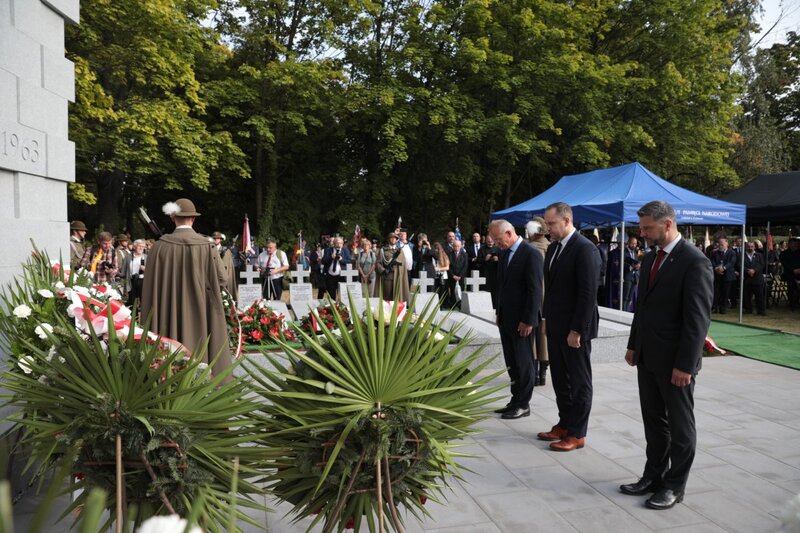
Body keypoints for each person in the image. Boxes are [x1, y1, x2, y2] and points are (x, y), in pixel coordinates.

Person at [621, 200, 713, 510]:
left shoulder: (694, 261)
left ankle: (675, 486)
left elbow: (697, 320)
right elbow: (642, 308)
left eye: (647, 228)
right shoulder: (650, 258)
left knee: (680, 428)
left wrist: (685, 364)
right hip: (648, 357)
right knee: (654, 422)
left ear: (668, 224)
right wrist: (634, 345)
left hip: (676, 363)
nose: (642, 233)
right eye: (642, 227)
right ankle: (653, 476)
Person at [141, 198, 232, 381]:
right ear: (194, 219)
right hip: (201, 311)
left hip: (166, 312)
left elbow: (150, 285)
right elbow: (223, 279)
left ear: (173, 218)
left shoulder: (158, 247)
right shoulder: (207, 246)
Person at [538, 202, 601, 452]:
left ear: (566, 221)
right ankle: (564, 424)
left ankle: (577, 433)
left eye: (551, 224)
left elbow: (587, 294)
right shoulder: (554, 248)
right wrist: (545, 319)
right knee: (560, 380)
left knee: (578, 381)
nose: (547, 228)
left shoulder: (585, 249)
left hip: (575, 329)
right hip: (555, 325)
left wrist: (578, 330)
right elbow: (551, 289)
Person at [488, 219, 542, 420]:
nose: (495, 243)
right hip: (506, 319)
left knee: (524, 362)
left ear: (509, 233)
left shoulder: (531, 254)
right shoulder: (504, 254)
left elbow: (534, 289)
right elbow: (502, 286)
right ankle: (514, 399)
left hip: (522, 321)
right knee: (512, 362)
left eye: (498, 239)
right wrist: (499, 312)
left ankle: (523, 404)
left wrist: (528, 320)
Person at [526, 217, 550, 386]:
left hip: (533, 295)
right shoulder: (551, 247)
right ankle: (543, 373)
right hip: (548, 295)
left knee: (532, 334)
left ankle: (534, 373)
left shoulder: (529, 248)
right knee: (544, 333)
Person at [376, 232, 409, 301]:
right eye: (392, 238)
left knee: (397, 296)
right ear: (388, 239)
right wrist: (383, 270)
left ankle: (397, 311)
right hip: (388, 276)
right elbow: (378, 263)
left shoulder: (400, 251)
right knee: (387, 296)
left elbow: (403, 263)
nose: (393, 239)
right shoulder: (383, 250)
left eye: (395, 238)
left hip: (398, 276)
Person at [710, 238, 736, 313]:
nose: (720, 245)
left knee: (725, 293)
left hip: (727, 276)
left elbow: (732, 262)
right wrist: (716, 268)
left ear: (727, 244)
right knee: (716, 292)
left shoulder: (732, 252)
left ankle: (722, 308)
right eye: (719, 243)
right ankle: (714, 307)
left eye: (722, 243)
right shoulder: (714, 253)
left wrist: (723, 268)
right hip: (717, 275)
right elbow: (712, 261)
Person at [740, 241, 766, 315]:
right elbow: (739, 265)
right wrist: (747, 270)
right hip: (746, 278)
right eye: (748, 246)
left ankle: (761, 311)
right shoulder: (741, 255)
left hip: (757, 279)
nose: (750, 248)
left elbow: (762, 265)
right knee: (747, 296)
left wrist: (754, 270)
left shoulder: (759, 255)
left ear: (754, 247)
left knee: (760, 296)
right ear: (745, 247)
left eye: (751, 246)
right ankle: (748, 309)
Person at [120, 239, 147, 307]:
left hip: (143, 281)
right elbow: (123, 272)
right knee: (132, 301)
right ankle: (134, 315)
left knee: (144, 301)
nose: (141, 248)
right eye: (139, 246)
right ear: (134, 247)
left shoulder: (147, 257)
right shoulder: (128, 257)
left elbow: (152, 270)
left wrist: (146, 269)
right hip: (131, 280)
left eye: (143, 247)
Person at [213, 232, 238, 302]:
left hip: (222, 276)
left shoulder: (226, 251)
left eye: (217, 238)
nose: (215, 240)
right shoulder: (210, 249)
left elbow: (227, 266)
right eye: (214, 238)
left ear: (220, 240)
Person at [447, 239, 469, 307]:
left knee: (461, 291)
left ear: (461, 246)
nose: (456, 248)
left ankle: (460, 305)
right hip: (452, 276)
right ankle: (453, 305)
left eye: (458, 246)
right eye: (455, 246)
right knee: (453, 291)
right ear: (453, 246)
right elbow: (448, 266)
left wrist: (460, 276)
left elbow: (465, 266)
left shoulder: (464, 254)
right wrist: (453, 275)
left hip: (461, 277)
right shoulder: (449, 254)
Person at [780, 238, 800, 311]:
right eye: (794, 244)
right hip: (789, 274)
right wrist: (793, 270)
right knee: (792, 288)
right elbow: (785, 264)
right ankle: (792, 304)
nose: (796, 245)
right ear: (790, 244)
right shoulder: (784, 254)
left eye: (797, 244)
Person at [622, 236, 641, 311]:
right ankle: (623, 312)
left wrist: (638, 265)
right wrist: (631, 266)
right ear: (628, 243)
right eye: (632, 243)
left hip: (635, 278)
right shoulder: (624, 252)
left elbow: (637, 262)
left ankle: (627, 312)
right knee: (625, 298)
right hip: (627, 277)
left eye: (635, 244)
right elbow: (621, 264)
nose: (634, 245)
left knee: (630, 298)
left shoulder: (635, 253)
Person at [483, 234, 500, 308]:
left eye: (491, 241)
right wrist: (485, 259)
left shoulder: (498, 249)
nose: (490, 242)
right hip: (486, 273)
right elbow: (478, 261)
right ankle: (486, 305)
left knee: (495, 291)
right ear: (486, 241)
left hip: (496, 274)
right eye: (488, 241)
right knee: (486, 290)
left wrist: (497, 259)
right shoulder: (482, 249)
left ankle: (495, 305)